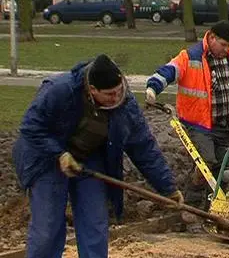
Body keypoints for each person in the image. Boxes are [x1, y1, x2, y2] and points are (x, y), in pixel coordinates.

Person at [12, 54, 184, 258]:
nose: (116, 97)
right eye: (110, 94)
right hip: (47, 158)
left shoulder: (125, 104)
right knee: (48, 227)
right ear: (92, 90)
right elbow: (31, 127)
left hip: (90, 158)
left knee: (94, 221)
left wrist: (167, 187)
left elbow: (143, 147)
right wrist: (59, 153)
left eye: (119, 90)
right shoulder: (60, 90)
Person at [145, 20, 229, 215]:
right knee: (206, 163)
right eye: (223, 44)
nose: (226, 49)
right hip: (198, 124)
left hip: (225, 125)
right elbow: (169, 71)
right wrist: (153, 88)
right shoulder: (191, 57)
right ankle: (192, 205)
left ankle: (217, 207)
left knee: (227, 168)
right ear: (211, 37)